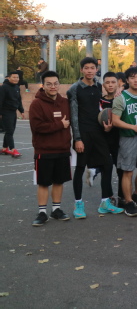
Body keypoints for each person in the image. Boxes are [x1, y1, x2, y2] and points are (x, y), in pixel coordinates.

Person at [67, 57, 122, 218]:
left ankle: (105, 202)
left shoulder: (99, 86)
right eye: (86, 68)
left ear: (96, 69)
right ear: (81, 70)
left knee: (107, 164)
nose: (90, 70)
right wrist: (77, 138)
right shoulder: (75, 89)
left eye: (92, 68)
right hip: (83, 134)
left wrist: (118, 91)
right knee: (80, 168)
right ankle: (78, 204)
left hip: (98, 133)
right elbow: (74, 116)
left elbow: (108, 99)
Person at [30, 71, 73, 226]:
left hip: (62, 148)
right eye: (49, 84)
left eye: (55, 83)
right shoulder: (36, 104)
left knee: (59, 181)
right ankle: (42, 212)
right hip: (44, 150)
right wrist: (60, 124)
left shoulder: (65, 102)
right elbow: (38, 127)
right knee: (43, 183)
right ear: (43, 85)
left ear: (59, 84)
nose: (53, 86)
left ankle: (56, 210)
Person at [111, 66, 137, 217]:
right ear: (127, 80)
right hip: (128, 137)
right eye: (132, 77)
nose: (136, 80)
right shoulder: (121, 98)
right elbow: (115, 121)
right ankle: (128, 202)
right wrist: (132, 127)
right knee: (128, 171)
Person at [99, 72, 124, 207]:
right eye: (107, 82)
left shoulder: (122, 99)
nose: (110, 85)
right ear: (103, 85)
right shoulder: (100, 101)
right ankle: (107, 197)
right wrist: (105, 128)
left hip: (120, 140)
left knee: (121, 170)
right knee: (106, 169)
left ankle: (122, 197)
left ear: (118, 84)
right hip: (104, 140)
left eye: (113, 82)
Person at [0, 71, 25, 157]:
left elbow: (18, 100)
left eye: (17, 77)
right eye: (14, 77)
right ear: (9, 78)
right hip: (5, 112)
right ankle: (13, 149)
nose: (16, 79)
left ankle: (4, 148)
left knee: (10, 131)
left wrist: (21, 111)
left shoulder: (17, 87)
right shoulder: (4, 87)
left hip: (13, 112)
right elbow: (0, 100)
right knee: (9, 131)